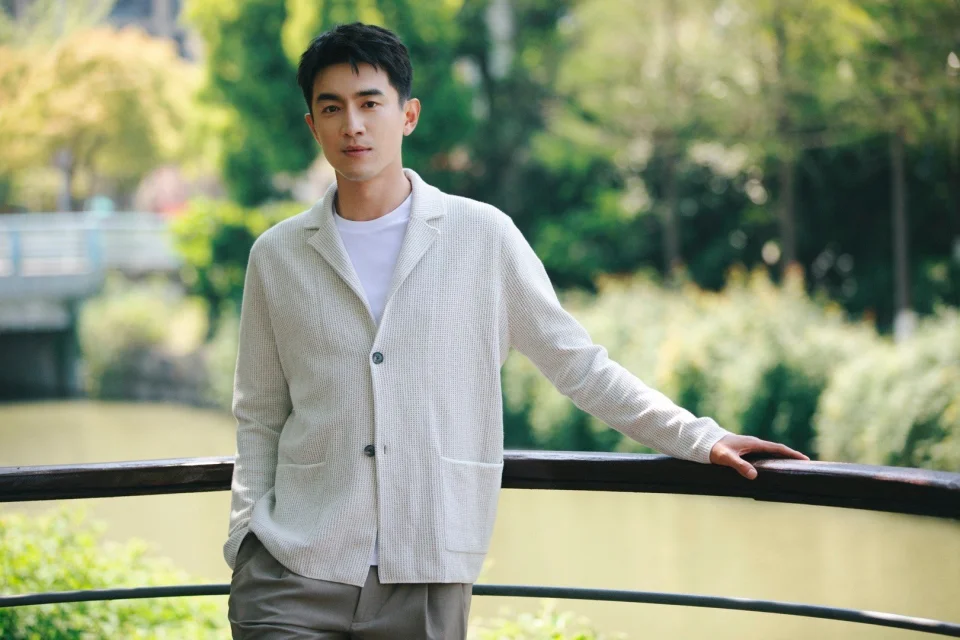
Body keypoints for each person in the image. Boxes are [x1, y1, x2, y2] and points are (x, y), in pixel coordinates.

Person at [223, 21, 809, 640]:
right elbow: (259, 413)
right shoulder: (277, 256)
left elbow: (576, 363)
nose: (353, 125)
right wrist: (244, 537)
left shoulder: (483, 236)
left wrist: (697, 437)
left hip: (425, 574)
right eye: (332, 108)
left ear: (408, 115)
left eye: (370, 103)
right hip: (291, 574)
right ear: (313, 125)